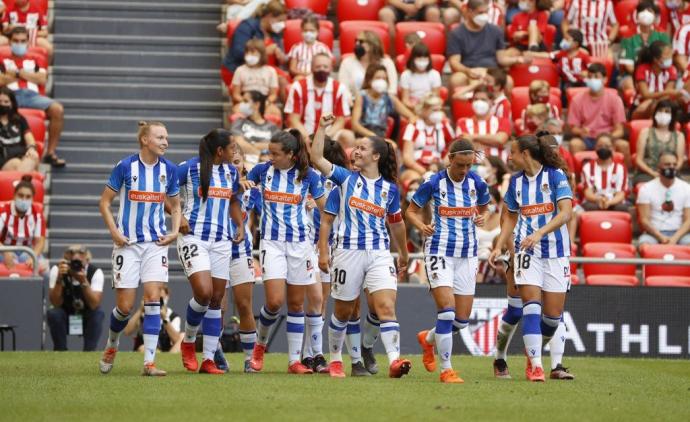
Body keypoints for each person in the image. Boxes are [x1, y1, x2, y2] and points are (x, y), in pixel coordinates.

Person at [311, 114, 412, 379]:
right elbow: (317, 159)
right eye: (356, 147)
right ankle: (335, 360)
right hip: (347, 252)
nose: (356, 150)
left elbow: (397, 224)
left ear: (376, 156)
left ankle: (394, 361)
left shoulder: (389, 189)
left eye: (362, 148)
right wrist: (322, 127)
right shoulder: (345, 179)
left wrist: (403, 252)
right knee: (344, 311)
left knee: (387, 307)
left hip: (379, 253)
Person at [98, 121, 182, 376]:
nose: (165, 142)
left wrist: (175, 231)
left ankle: (149, 363)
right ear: (145, 140)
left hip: (155, 244)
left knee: (153, 298)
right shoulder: (125, 167)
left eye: (166, 137)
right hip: (128, 244)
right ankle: (112, 343)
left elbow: (175, 206)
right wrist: (114, 232)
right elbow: (104, 202)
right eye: (160, 137)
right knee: (124, 307)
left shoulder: (170, 170)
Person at [489, 134, 574, 382]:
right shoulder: (515, 182)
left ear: (525, 153)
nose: (509, 157)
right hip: (527, 252)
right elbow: (510, 217)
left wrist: (540, 232)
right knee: (530, 308)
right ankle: (535, 365)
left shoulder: (555, 176)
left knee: (552, 318)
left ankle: (533, 351)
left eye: (512, 152)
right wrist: (501, 245)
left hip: (556, 252)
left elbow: (566, 213)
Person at [407, 139, 491, 384]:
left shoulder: (478, 183)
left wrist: (482, 217)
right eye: (461, 165)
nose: (464, 170)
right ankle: (447, 370)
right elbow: (410, 211)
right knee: (446, 310)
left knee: (461, 320)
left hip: (468, 253)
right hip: (439, 251)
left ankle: (428, 338)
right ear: (450, 159)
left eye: (469, 166)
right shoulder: (433, 182)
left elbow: (485, 207)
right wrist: (422, 225)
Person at [246, 129, 326, 375]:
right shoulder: (261, 171)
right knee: (274, 301)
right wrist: (244, 185)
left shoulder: (309, 176)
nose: (270, 157)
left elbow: (327, 210)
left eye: (275, 153)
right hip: (272, 243)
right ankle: (259, 347)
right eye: (269, 152)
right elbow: (245, 194)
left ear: (290, 154)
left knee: (295, 304)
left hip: (300, 245)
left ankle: (294, 362)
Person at [176, 129, 245, 375]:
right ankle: (188, 341)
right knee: (203, 293)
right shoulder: (189, 168)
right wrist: (179, 215)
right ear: (220, 151)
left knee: (216, 299)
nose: (235, 151)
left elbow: (234, 200)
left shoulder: (230, 172)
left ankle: (208, 360)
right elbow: (164, 192)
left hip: (221, 241)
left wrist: (240, 224)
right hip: (194, 237)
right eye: (232, 148)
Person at [0, 27, 64, 167]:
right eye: (16, 41)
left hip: (32, 96)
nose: (19, 44)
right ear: (10, 42)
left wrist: (15, 74)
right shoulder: (1, 58)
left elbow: (41, 79)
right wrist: (27, 75)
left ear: (28, 42)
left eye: (23, 41)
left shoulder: (37, 58)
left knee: (57, 109)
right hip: (8, 97)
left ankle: (50, 153)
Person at [228, 147, 262, 372]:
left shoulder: (253, 191)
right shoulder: (211, 185)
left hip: (241, 250)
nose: (234, 166)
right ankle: (214, 355)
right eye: (229, 162)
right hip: (213, 248)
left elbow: (269, 215)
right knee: (215, 306)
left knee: (244, 305)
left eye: (237, 161)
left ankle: (250, 358)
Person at [447, 0, 529, 91]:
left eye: (486, 12)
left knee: (508, 81)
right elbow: (454, 62)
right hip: (468, 70)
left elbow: (501, 59)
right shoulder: (456, 33)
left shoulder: (496, 31)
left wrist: (517, 59)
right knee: (456, 80)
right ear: (470, 12)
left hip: (491, 71)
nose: (484, 16)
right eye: (480, 13)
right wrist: (467, 71)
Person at [285, 52, 354, 146]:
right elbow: (293, 119)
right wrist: (307, 137)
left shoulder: (339, 88)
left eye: (325, 67)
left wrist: (325, 137)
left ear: (331, 69)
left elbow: (340, 121)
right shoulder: (298, 87)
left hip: (330, 134)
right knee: (286, 135)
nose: (322, 69)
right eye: (318, 66)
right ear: (311, 68)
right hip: (303, 133)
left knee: (348, 136)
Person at [46, 245, 104, 351]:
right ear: (66, 258)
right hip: (65, 313)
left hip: (87, 314)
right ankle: (60, 351)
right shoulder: (57, 269)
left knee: (98, 313)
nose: (76, 259)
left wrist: (83, 281)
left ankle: (89, 351)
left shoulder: (95, 272)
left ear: (87, 259)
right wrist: (60, 278)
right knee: (54, 313)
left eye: (81, 255)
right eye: (72, 254)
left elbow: (94, 304)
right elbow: (55, 303)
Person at [567, 63, 627, 158]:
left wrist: (608, 138)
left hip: (608, 137)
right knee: (574, 144)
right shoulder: (577, 99)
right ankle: (575, 173)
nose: (592, 80)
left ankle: (624, 172)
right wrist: (581, 131)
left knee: (623, 145)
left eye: (596, 77)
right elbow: (573, 128)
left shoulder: (615, 99)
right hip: (588, 138)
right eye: (590, 77)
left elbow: (620, 130)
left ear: (605, 79)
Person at [637, 152, 690, 246]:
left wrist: (674, 238)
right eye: (667, 164)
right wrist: (661, 237)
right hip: (654, 233)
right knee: (644, 246)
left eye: (674, 164)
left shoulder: (686, 188)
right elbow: (644, 220)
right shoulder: (646, 188)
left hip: (679, 233)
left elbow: (688, 220)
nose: (671, 167)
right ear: (659, 167)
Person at [351, 64, 416, 140]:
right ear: (369, 80)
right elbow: (355, 125)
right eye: (378, 78)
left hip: (381, 137)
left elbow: (411, 116)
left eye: (384, 79)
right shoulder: (361, 97)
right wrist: (374, 136)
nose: (381, 81)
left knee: (392, 147)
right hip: (363, 136)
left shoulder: (389, 98)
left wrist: (410, 127)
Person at [222, 0, 287, 74]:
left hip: (264, 70)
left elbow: (282, 59)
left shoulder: (276, 33)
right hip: (239, 69)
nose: (282, 24)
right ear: (269, 16)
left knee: (285, 79)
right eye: (280, 20)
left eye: (284, 21)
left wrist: (282, 58)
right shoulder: (248, 26)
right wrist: (264, 52)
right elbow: (238, 52)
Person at [401, 95, 454, 183]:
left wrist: (441, 167)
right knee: (415, 180)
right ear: (424, 110)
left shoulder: (444, 126)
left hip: (438, 167)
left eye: (440, 110)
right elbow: (407, 157)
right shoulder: (413, 127)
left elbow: (453, 148)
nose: (438, 113)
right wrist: (424, 172)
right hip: (415, 167)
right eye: (434, 110)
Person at [0, 174, 47, 275]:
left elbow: (40, 242)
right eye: (20, 195)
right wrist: (5, 251)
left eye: (28, 197)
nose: (24, 200)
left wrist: (33, 255)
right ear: (14, 195)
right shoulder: (3, 210)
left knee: (45, 270)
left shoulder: (37, 212)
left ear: (32, 199)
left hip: (27, 250)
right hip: (4, 248)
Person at [619, 2, 670, 92]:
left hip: (658, 72)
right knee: (628, 83)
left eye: (650, 11)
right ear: (637, 15)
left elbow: (667, 59)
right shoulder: (628, 36)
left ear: (655, 16)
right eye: (642, 11)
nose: (646, 14)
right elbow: (629, 66)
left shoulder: (662, 35)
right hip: (633, 74)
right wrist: (642, 75)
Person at [634, 100, 686, 184]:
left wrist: (671, 172)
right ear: (655, 113)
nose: (663, 114)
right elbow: (639, 159)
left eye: (667, 112)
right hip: (647, 173)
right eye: (660, 111)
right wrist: (653, 173)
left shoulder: (679, 136)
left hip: (671, 172)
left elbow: (680, 160)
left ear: (672, 115)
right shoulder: (645, 133)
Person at [455, 85, 511, 162]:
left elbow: (500, 139)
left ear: (491, 102)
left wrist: (473, 137)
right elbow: (464, 145)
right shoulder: (462, 122)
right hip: (471, 168)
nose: (479, 102)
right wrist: (491, 141)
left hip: (497, 168)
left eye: (483, 100)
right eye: (476, 99)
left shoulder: (502, 121)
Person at [338, 30, 398, 98]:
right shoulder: (347, 62)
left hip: (382, 103)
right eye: (356, 41)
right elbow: (343, 89)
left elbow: (392, 90)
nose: (357, 44)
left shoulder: (387, 63)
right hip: (354, 103)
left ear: (372, 44)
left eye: (361, 42)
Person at [230, 39, 281, 118]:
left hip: (264, 101)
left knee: (276, 113)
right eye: (247, 52)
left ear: (261, 54)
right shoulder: (240, 70)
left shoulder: (271, 71)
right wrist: (245, 102)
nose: (249, 55)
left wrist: (267, 102)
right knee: (236, 112)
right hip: (246, 100)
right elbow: (236, 94)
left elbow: (273, 94)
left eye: (253, 52)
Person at [124, 286, 182, 354]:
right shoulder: (142, 315)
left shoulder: (173, 317)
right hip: (144, 350)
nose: (158, 302)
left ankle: (165, 358)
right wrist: (140, 310)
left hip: (166, 351)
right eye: (155, 299)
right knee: (144, 348)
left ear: (167, 296)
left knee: (182, 336)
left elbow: (176, 340)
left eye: (160, 298)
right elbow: (127, 332)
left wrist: (165, 319)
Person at [581, 134, 629, 211]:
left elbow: (621, 194)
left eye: (607, 146)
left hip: (615, 201)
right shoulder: (587, 167)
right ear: (595, 147)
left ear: (613, 148)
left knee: (621, 208)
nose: (603, 148)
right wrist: (599, 200)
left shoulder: (621, 168)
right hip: (594, 201)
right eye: (600, 146)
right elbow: (588, 193)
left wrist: (609, 202)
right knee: (590, 207)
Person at [632, 40, 679, 119]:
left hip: (663, 103)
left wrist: (657, 103)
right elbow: (645, 95)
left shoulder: (672, 69)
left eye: (670, 54)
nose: (670, 57)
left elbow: (666, 96)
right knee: (649, 103)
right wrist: (667, 92)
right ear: (656, 59)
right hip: (642, 103)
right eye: (667, 55)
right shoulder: (642, 69)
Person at [231, 90, 280, 158]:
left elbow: (278, 147)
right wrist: (260, 154)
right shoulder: (238, 122)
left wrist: (252, 144)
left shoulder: (272, 127)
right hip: (246, 161)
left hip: (268, 162)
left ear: (257, 104)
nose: (241, 104)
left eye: (245, 101)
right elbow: (239, 144)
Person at [0, 87, 38, 171]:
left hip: (20, 155)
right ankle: (25, 182)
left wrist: (31, 148)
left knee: (33, 156)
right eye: (0, 101)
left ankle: (22, 182)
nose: (2, 104)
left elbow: (30, 139)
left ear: (12, 103)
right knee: (16, 163)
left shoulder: (20, 119)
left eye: (6, 102)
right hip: (2, 161)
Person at [287, 15, 333, 79]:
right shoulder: (296, 47)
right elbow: (292, 68)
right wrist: (306, 74)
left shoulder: (323, 47)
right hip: (301, 76)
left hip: (319, 76)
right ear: (301, 31)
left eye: (312, 31)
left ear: (317, 31)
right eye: (305, 31)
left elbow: (329, 65)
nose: (308, 33)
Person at [399, 42, 442, 109]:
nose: (422, 62)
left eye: (425, 59)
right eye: (419, 59)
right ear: (413, 59)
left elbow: (436, 97)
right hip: (412, 106)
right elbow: (405, 100)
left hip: (429, 106)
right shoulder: (406, 75)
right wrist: (415, 107)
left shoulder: (435, 74)